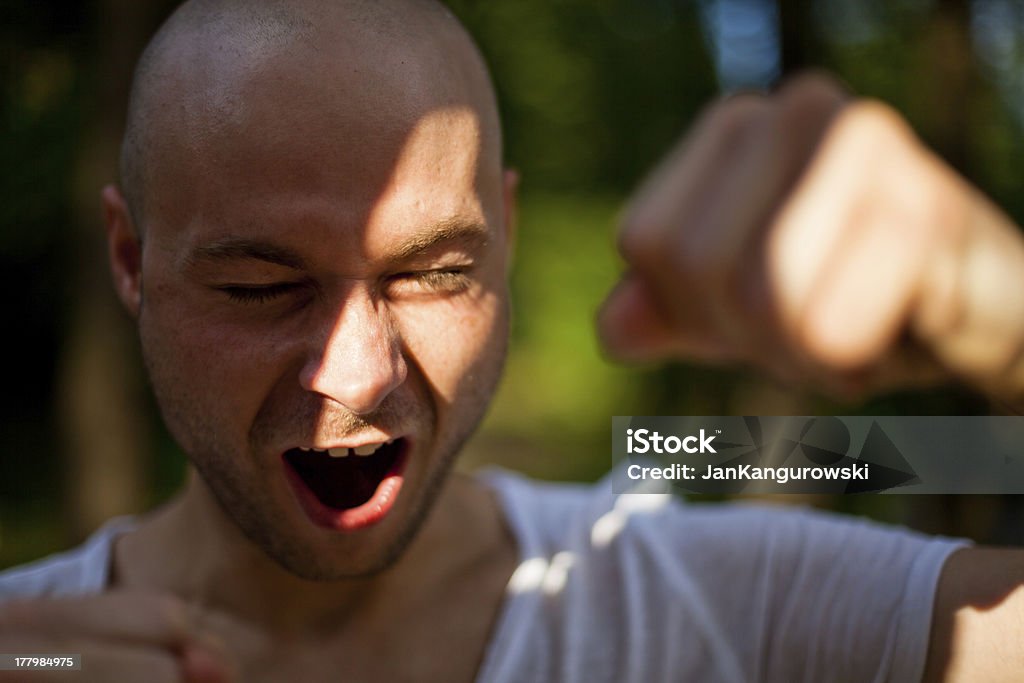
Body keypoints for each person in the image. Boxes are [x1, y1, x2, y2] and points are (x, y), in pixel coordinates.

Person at [2, 1, 1023, 681]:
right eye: (259, 285)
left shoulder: (710, 598)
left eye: (434, 271)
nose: (356, 376)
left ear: (506, 237)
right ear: (131, 259)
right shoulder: (27, 643)